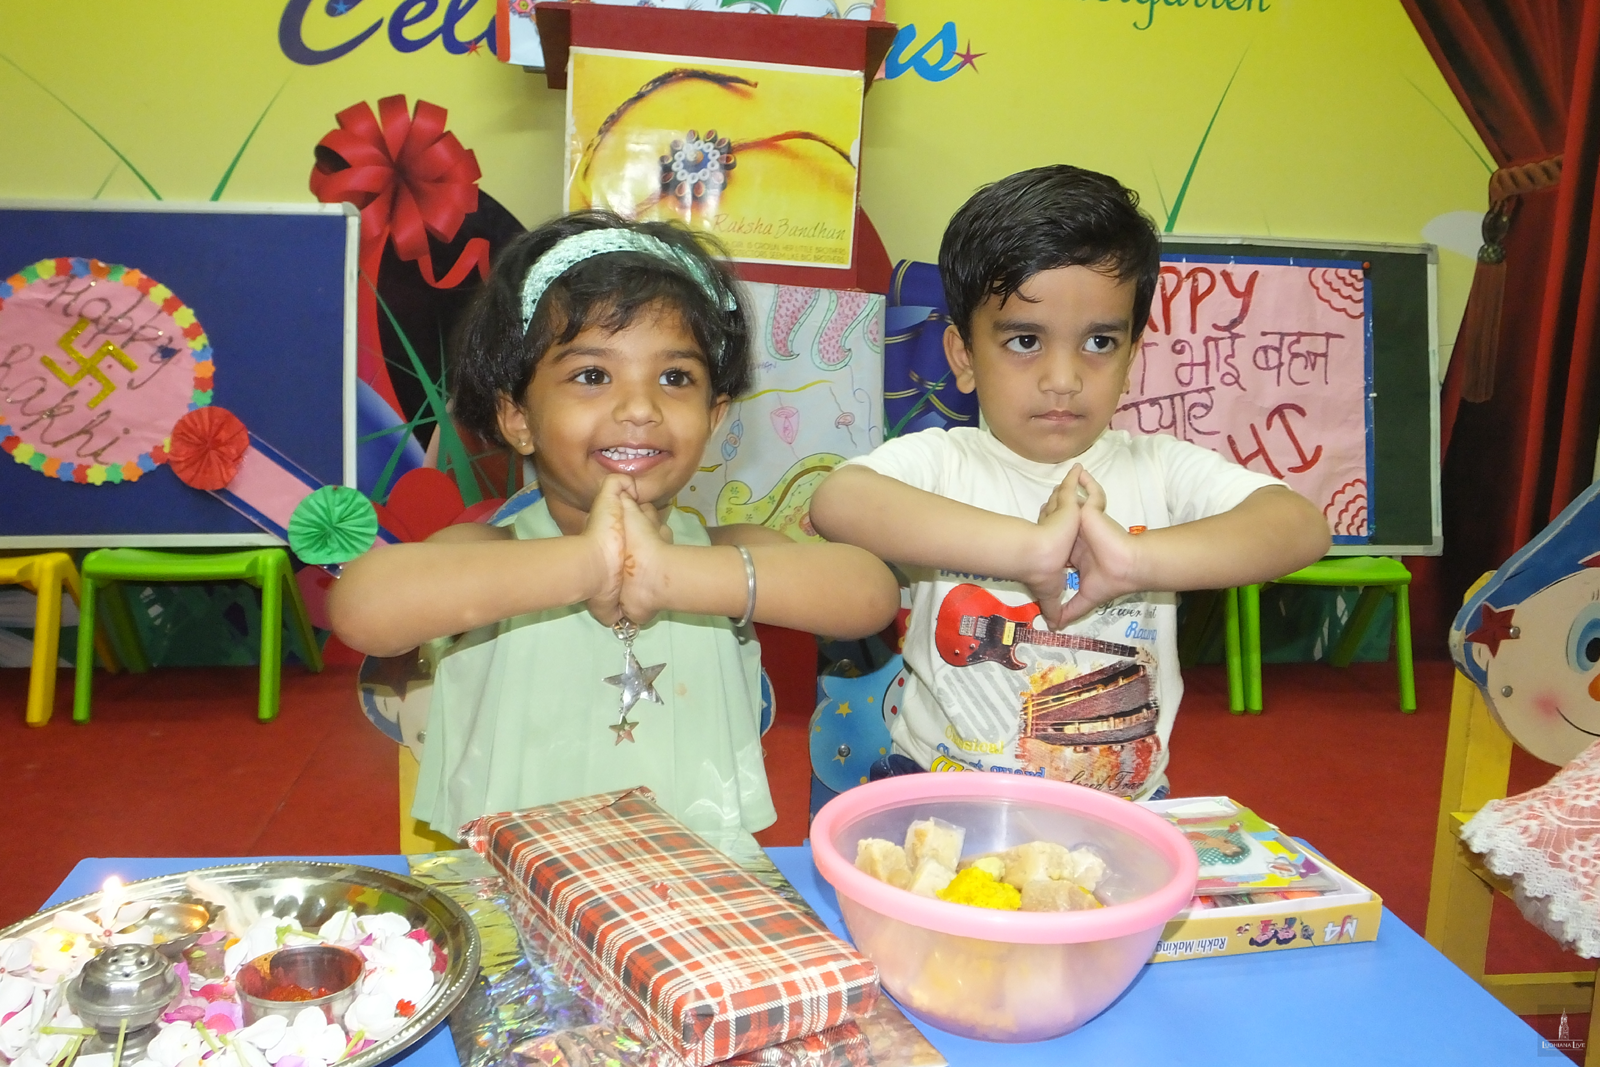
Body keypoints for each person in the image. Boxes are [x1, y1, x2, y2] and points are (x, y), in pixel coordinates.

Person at [329, 211, 900, 854]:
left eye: (675, 377)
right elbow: (362, 606)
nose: (639, 408)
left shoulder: (722, 553)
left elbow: (868, 593)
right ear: (518, 417)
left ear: (714, 416)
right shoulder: (487, 555)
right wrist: (586, 566)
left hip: (695, 884)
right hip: (516, 882)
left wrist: (668, 574)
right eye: (592, 375)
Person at [809, 165, 1330, 799]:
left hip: (1121, 808)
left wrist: (1134, 561)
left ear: (1133, 356)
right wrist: (1030, 551)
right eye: (1026, 340)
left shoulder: (1158, 468)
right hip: (937, 796)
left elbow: (1299, 526)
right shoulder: (943, 462)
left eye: (1099, 342)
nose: (1064, 376)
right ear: (963, 357)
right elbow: (840, 500)